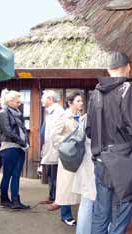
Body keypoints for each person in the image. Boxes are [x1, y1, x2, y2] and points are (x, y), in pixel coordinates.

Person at [87, 52, 132, 234]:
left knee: (100, 212)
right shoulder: (129, 88)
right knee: (122, 209)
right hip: (124, 162)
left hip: (100, 160)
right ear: (128, 67)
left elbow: (89, 130)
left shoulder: (96, 92)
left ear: (108, 69)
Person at [52, 91, 84, 226]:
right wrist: (70, 141)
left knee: (78, 185)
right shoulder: (63, 117)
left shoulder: (81, 117)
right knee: (65, 186)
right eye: (78, 101)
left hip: (80, 156)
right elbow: (55, 137)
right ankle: (65, 214)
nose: (81, 103)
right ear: (70, 103)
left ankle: (79, 213)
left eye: (82, 100)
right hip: (67, 157)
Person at [0, 90, 30, 209]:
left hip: (20, 147)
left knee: (16, 175)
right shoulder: (3, 113)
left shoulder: (17, 112)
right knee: (7, 175)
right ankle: (4, 199)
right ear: (9, 101)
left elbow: (23, 130)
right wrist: (23, 143)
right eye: (17, 101)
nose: (19, 103)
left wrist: (26, 143)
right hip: (9, 147)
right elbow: (8, 132)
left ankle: (16, 201)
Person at [40, 90, 64, 211]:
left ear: (50, 99)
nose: (41, 100)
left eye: (43, 98)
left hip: (55, 150)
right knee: (50, 174)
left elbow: (57, 133)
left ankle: (57, 200)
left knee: (55, 176)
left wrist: (55, 147)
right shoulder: (50, 112)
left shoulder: (58, 112)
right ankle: (51, 196)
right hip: (49, 149)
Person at [72, 114, 96, 234]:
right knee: (90, 202)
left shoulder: (85, 118)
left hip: (86, 162)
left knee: (86, 201)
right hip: (95, 163)